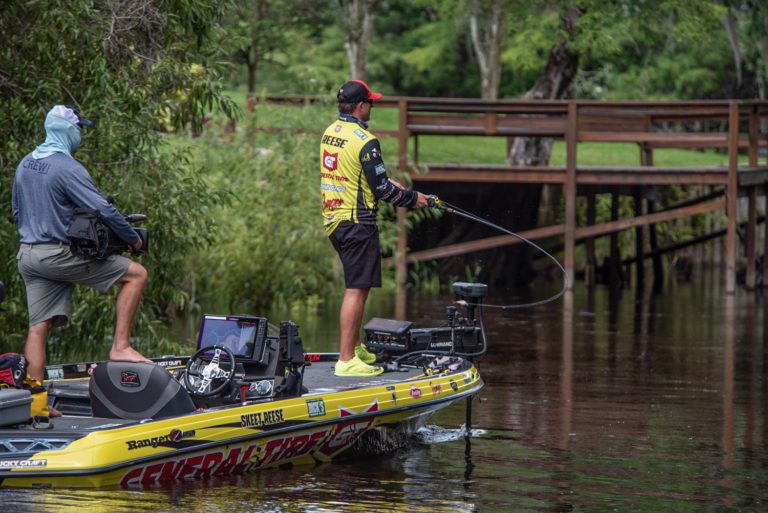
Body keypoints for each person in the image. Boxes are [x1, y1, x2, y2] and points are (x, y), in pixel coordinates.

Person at [12, 105, 150, 413]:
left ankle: (36, 404)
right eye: (79, 129)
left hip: (28, 254)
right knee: (136, 274)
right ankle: (121, 346)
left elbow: (17, 212)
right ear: (67, 131)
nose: (81, 135)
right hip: (56, 254)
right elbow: (104, 209)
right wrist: (132, 238)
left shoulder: (26, 163)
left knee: (39, 327)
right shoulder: (67, 167)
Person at [320, 80, 429, 377]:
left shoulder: (332, 132)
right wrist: (412, 198)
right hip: (357, 223)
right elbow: (383, 192)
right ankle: (346, 360)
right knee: (356, 289)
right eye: (371, 103)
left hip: (334, 220)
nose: (372, 107)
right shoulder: (365, 140)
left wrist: (390, 184)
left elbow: (360, 175)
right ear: (360, 106)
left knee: (358, 285)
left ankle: (355, 348)